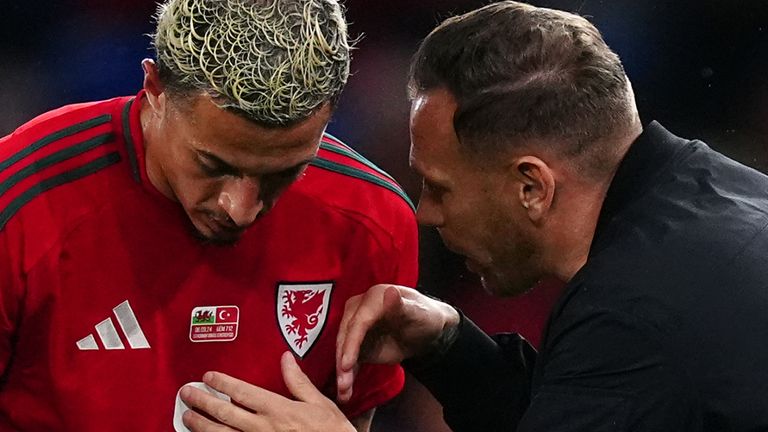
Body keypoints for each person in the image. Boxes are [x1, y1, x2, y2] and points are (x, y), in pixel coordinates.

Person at [177, 1, 768, 431]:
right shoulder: (721, 200)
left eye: (438, 187)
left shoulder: (636, 313)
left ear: (531, 185)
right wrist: (450, 349)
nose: (424, 213)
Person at [0, 0, 418, 430]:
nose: (239, 209)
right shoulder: (17, 201)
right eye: (213, 165)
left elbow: (356, 415)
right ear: (156, 89)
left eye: (284, 172)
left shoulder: (372, 222)